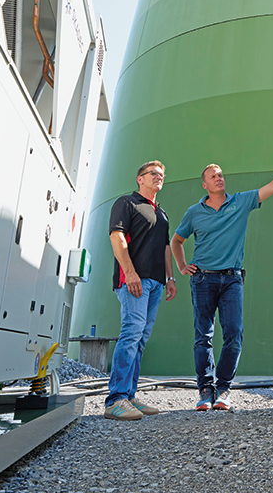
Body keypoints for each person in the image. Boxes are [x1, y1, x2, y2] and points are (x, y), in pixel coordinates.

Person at [171, 143, 273, 411]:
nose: (219, 178)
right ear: (205, 185)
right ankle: (205, 389)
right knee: (203, 337)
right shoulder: (194, 212)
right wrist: (183, 266)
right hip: (203, 280)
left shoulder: (240, 201)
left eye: (221, 174)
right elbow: (176, 240)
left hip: (232, 280)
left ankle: (224, 389)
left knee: (234, 334)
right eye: (213, 176)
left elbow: (272, 187)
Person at [104, 161, 177, 420]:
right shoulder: (127, 203)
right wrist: (131, 272)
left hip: (156, 282)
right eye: (153, 174)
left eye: (162, 175)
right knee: (131, 332)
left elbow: (166, 247)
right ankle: (116, 399)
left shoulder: (162, 214)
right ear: (140, 178)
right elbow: (117, 237)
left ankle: (130, 396)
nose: (159, 177)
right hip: (134, 279)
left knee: (141, 338)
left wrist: (170, 277)